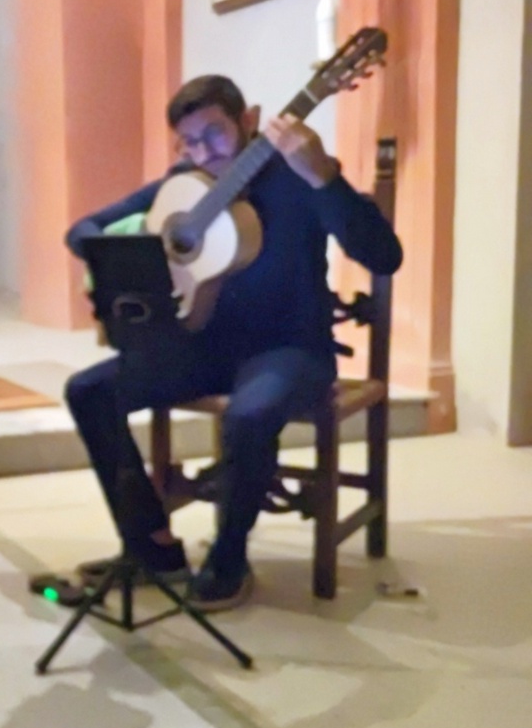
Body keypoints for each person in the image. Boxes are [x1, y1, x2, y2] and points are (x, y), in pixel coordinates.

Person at [63, 74, 403, 612]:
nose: (204, 152)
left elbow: (384, 255)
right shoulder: (186, 186)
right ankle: (152, 548)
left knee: (249, 414)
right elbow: (84, 230)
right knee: (89, 391)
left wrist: (323, 177)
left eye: (215, 134)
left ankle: (228, 560)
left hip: (291, 349)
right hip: (202, 348)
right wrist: (142, 250)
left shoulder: (296, 177)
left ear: (248, 120)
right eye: (189, 142)